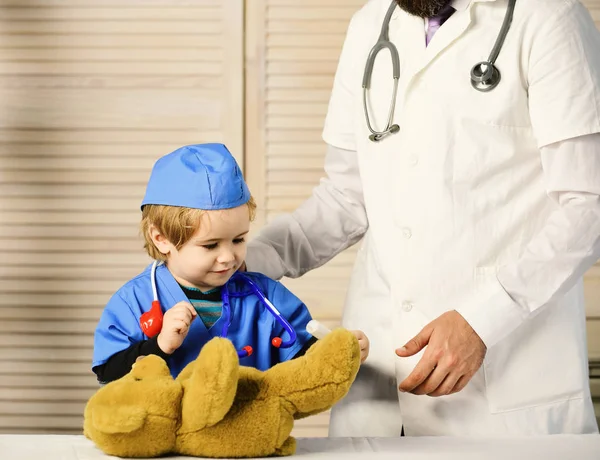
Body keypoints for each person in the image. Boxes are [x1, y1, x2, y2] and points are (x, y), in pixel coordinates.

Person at [245, 0, 600, 437]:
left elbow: (588, 206)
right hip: (376, 387)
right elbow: (344, 198)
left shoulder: (549, 18)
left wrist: (483, 320)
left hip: (506, 392)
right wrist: (249, 260)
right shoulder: (369, 27)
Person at [92, 143, 371, 383]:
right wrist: (159, 346)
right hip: (170, 443)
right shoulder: (134, 301)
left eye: (238, 240)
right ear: (162, 239)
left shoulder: (267, 297)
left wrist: (336, 352)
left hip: (250, 439)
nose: (229, 257)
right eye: (210, 245)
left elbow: (304, 358)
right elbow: (109, 374)